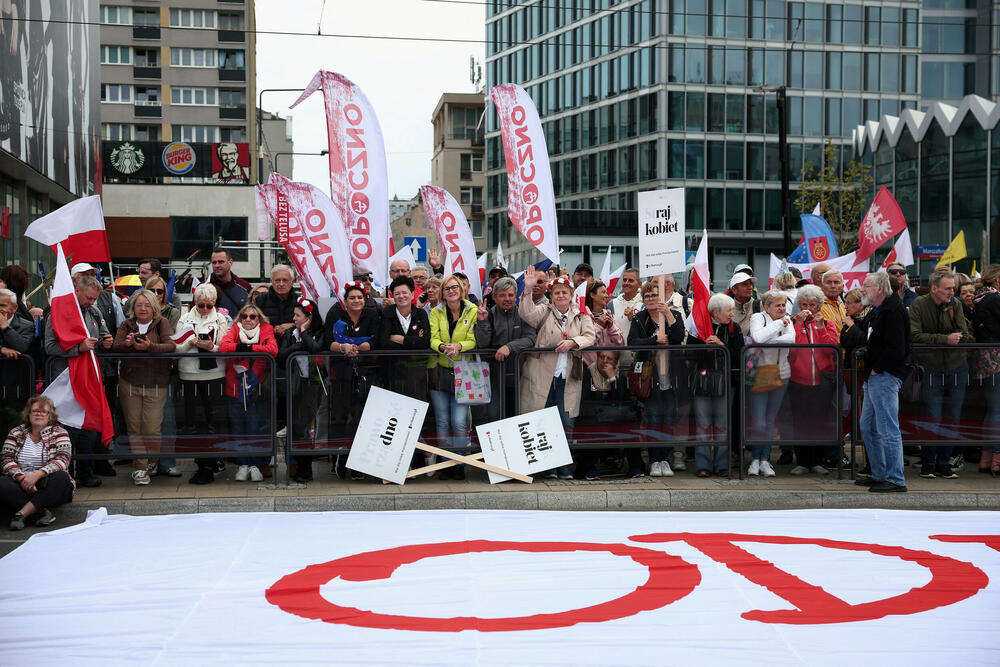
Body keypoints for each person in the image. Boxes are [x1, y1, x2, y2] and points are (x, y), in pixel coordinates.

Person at [518, 267, 596, 479]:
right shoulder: (544, 311)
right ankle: (549, 466)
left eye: (565, 292)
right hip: (543, 377)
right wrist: (527, 289)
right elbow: (525, 314)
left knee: (566, 422)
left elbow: (591, 336)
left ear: (571, 295)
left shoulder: (581, 313)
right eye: (557, 292)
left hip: (568, 377)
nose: (561, 295)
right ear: (551, 296)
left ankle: (563, 465)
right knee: (543, 421)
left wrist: (573, 342)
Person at [43, 275, 113, 488]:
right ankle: (67, 473)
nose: (92, 302)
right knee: (68, 429)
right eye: (89, 298)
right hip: (66, 378)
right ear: (78, 291)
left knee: (89, 429)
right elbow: (49, 347)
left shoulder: (94, 311)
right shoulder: (59, 312)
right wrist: (77, 349)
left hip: (89, 378)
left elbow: (103, 334)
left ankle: (85, 472)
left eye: (94, 299)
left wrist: (107, 341)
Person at [909, 270, 971, 478]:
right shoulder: (919, 304)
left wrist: (951, 339)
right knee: (932, 417)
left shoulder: (956, 304)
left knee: (952, 418)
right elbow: (915, 336)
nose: (952, 292)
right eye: (948, 288)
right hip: (931, 368)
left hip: (956, 367)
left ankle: (944, 462)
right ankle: (928, 462)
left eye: (953, 288)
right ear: (934, 288)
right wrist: (944, 339)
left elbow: (963, 335)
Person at [858, 271, 910, 492]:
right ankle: (879, 473)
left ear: (879, 288)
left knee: (887, 427)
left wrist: (878, 369)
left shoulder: (893, 311)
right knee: (867, 426)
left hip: (885, 375)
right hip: (875, 375)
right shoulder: (877, 310)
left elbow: (896, 348)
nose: (863, 289)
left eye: (866, 286)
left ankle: (895, 478)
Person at [627, 280, 686, 477]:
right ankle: (654, 460)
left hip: (670, 376)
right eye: (647, 296)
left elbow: (678, 336)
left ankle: (665, 459)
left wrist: (668, 314)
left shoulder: (674, 315)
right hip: (649, 378)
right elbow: (632, 343)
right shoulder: (639, 319)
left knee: (668, 419)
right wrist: (654, 340)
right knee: (653, 419)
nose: (651, 299)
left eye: (654, 295)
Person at [324, 282, 380, 479]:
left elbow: (378, 339)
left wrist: (368, 345)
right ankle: (339, 457)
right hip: (341, 373)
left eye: (359, 298)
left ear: (364, 300)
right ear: (345, 301)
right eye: (352, 298)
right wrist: (342, 347)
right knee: (340, 415)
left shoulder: (372, 315)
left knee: (361, 417)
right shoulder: (335, 315)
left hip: (366, 373)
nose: (356, 301)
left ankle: (358, 462)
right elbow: (326, 342)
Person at [176, 284, 230, 485]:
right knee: (195, 422)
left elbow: (224, 347)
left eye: (209, 305)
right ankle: (202, 463)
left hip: (214, 374)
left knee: (213, 422)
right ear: (194, 303)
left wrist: (211, 346)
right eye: (201, 305)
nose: (205, 309)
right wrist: (189, 343)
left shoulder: (220, 318)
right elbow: (176, 347)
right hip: (189, 374)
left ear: (215, 303)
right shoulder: (185, 317)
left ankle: (212, 463)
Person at [685, 293, 744, 477]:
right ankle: (703, 464)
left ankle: (722, 464)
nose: (732, 314)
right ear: (716, 313)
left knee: (722, 425)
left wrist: (722, 345)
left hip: (726, 383)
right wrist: (705, 347)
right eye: (729, 310)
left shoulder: (735, 329)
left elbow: (740, 355)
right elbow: (689, 355)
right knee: (702, 425)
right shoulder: (699, 328)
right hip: (702, 383)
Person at [218, 303, 278, 482]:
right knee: (238, 428)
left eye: (253, 316)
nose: (248, 320)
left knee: (254, 428)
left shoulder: (266, 329)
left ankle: (256, 464)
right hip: (234, 388)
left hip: (255, 388)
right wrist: (241, 347)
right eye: (245, 316)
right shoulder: (235, 329)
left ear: (259, 318)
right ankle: (242, 464)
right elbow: (224, 347)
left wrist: (249, 348)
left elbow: (272, 349)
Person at [429, 274, 479, 480]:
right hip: (439, 371)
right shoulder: (435, 311)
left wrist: (458, 347)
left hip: (464, 372)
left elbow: (473, 339)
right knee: (442, 421)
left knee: (459, 422)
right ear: (442, 292)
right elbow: (433, 338)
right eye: (447, 288)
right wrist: (442, 347)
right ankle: (444, 464)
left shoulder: (473, 310)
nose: (451, 291)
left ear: (461, 289)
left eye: (454, 287)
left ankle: (459, 462)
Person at [786, 285, 839, 476]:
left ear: (819, 306)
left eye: (813, 305)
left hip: (822, 381)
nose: (808, 308)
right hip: (799, 380)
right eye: (804, 304)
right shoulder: (792, 323)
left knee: (819, 422)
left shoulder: (828, 324)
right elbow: (793, 349)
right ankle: (802, 461)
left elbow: (830, 349)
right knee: (800, 422)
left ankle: (817, 461)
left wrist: (820, 327)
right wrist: (799, 325)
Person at [1, 396, 73, 530]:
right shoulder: (16, 433)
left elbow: (63, 459)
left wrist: (37, 475)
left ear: (50, 416)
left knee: (62, 478)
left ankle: (22, 514)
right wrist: (22, 478)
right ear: (28, 415)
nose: (39, 414)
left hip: (47, 482)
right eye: (35, 411)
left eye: (43, 411)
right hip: (21, 482)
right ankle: (42, 513)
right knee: (2, 483)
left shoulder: (60, 433)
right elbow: (6, 458)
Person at [746, 291, 796, 476]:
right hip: (758, 375)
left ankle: (765, 460)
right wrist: (778, 324)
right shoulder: (758, 318)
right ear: (766, 307)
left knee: (770, 419)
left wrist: (772, 339)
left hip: (781, 375)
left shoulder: (788, 319)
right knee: (758, 420)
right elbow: (758, 338)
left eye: (783, 305)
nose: (782, 309)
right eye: (778, 305)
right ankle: (755, 459)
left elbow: (791, 339)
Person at [278, 298, 326, 484]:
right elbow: (282, 355)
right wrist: (299, 346)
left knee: (303, 426)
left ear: (308, 318)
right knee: (295, 428)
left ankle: (305, 468)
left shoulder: (318, 332)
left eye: (298, 315)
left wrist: (304, 334)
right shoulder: (290, 333)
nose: (294, 318)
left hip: (311, 385)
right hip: (293, 384)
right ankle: (299, 466)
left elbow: (315, 349)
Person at [474, 276, 536, 421]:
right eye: (502, 295)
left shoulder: (524, 313)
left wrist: (509, 347)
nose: (507, 298)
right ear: (494, 297)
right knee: (494, 415)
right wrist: (482, 322)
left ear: (516, 295)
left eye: (510, 295)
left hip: (521, 375)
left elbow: (530, 338)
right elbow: (482, 343)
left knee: (518, 417)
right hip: (494, 377)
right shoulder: (488, 314)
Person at [378, 275, 431, 397]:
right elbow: (384, 343)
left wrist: (400, 339)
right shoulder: (386, 313)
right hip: (392, 370)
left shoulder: (421, 314)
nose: (401, 296)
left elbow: (425, 342)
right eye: (397, 294)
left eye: (404, 292)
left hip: (417, 370)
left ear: (412, 294)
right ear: (393, 296)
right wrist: (414, 342)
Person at [972, 264, 1000, 474]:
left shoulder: (980, 297)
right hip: (996, 359)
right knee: (997, 410)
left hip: (986, 359)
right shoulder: (994, 299)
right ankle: (996, 460)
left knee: (993, 409)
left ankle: (987, 458)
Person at [71, 262, 125, 330]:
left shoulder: (111, 297)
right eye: (85, 275)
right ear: (74, 280)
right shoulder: (66, 300)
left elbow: (121, 327)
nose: (90, 278)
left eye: (93, 275)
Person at [253, 264, 298, 339]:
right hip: (267, 343)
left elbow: (309, 325)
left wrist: (293, 326)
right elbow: (251, 323)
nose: (281, 284)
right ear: (271, 281)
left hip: (293, 345)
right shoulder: (260, 300)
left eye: (285, 280)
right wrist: (272, 330)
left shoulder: (299, 301)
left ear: (292, 282)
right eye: (277, 280)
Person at [208, 248, 251, 316]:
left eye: (221, 262)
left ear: (230, 262)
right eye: (214, 262)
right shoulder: (203, 287)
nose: (216, 265)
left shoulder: (245, 286)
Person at [611, 268, 643, 340]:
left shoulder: (645, 304)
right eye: (624, 280)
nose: (626, 283)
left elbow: (647, 331)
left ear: (639, 284)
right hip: (617, 350)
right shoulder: (611, 304)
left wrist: (633, 319)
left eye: (631, 280)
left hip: (638, 350)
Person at [820, 271, 847, 344]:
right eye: (828, 282)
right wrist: (849, 339)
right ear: (822, 286)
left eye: (836, 282)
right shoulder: (817, 306)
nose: (833, 286)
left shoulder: (843, 305)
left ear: (843, 286)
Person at [727, 271, 758, 336]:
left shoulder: (759, 305)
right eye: (745, 284)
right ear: (734, 290)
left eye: (750, 284)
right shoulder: (726, 308)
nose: (750, 287)